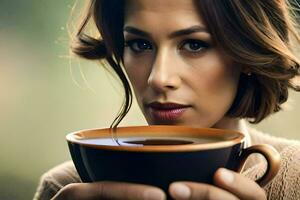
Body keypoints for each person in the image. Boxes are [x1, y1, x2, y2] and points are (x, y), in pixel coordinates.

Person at [34, 0, 300, 199]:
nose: (158, 78)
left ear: (247, 53)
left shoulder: (295, 177)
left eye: (195, 44)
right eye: (140, 45)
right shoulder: (63, 188)